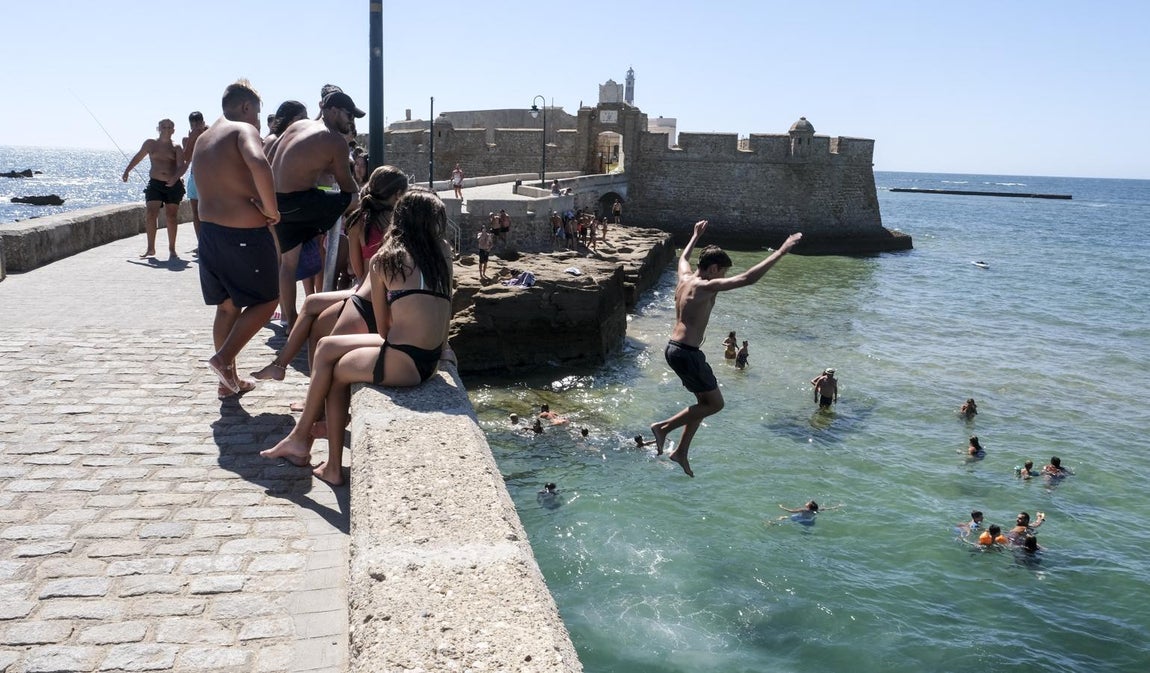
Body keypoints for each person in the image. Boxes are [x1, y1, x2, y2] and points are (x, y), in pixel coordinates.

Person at [260, 189, 455, 485]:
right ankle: (301, 439)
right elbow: (447, 306)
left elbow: (383, 327)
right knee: (326, 345)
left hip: (404, 361)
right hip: (429, 361)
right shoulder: (443, 252)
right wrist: (442, 349)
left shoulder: (385, 260)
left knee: (336, 371)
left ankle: (328, 462)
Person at [648, 220, 802, 477]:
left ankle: (681, 452)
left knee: (702, 403)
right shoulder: (704, 286)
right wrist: (782, 250)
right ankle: (662, 428)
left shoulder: (685, 278)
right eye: (721, 273)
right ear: (714, 269)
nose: (722, 278)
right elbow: (747, 279)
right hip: (687, 353)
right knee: (716, 404)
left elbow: (683, 256)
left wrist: (695, 235)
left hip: (676, 350)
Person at [251, 166, 409, 382]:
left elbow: (356, 269)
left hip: (363, 292)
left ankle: (282, 366)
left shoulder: (357, 221)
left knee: (311, 307)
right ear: (399, 195)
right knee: (313, 308)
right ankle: (281, 368)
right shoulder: (401, 223)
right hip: (386, 297)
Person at [193, 79, 280, 399]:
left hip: (210, 234)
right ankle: (223, 359)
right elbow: (259, 162)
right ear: (245, 107)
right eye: (257, 113)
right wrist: (272, 210)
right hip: (243, 234)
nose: (258, 120)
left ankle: (226, 381)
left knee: (227, 305)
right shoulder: (242, 130)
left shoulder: (204, 138)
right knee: (269, 300)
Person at [269, 91, 363, 328]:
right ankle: (353, 255)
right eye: (348, 114)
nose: (351, 121)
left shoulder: (299, 125)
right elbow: (348, 186)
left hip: (277, 202)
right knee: (355, 199)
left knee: (287, 265)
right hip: (299, 202)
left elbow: (272, 157)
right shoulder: (335, 141)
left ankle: (290, 321)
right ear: (331, 111)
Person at [122, 118, 186, 259]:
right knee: (151, 214)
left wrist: (175, 178)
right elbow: (138, 157)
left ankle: (172, 249)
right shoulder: (150, 143)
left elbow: (182, 166)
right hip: (155, 184)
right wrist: (127, 171)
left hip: (173, 185)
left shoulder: (176, 147)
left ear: (173, 130)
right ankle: (150, 248)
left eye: (170, 127)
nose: (167, 129)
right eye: (164, 127)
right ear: (158, 129)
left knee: (171, 216)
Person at [181, 111, 208, 248]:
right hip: (194, 176)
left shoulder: (210, 134)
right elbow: (186, 158)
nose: (196, 126)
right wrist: (192, 138)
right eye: (193, 124)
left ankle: (210, 241)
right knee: (196, 212)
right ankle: (200, 243)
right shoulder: (187, 139)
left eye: (198, 123)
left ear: (203, 122)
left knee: (209, 212)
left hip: (209, 178)